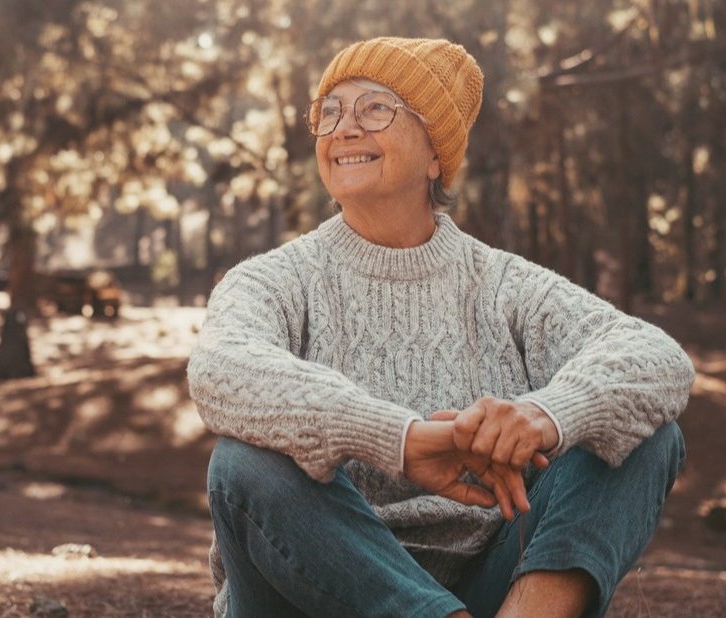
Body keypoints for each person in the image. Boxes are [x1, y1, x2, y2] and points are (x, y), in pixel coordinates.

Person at [187, 37, 694, 618]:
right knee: (244, 462)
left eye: (375, 108)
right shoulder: (274, 280)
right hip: (305, 589)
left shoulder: (503, 284)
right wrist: (397, 439)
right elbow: (220, 368)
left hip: (483, 589)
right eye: (329, 113)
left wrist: (548, 414)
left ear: (436, 156)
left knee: (640, 434)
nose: (343, 129)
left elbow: (656, 357)